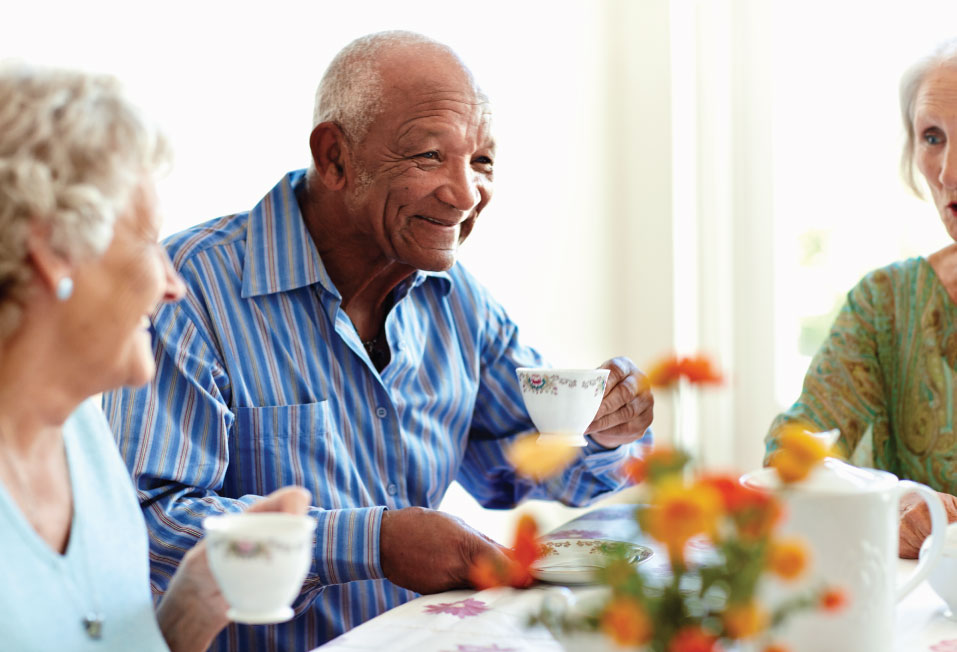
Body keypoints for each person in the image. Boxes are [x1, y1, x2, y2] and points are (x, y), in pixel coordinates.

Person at [105, 30, 655, 651]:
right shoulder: (191, 291)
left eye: (482, 161)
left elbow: (533, 466)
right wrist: (372, 543)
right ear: (335, 157)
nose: (466, 193)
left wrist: (606, 431)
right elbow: (142, 526)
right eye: (429, 156)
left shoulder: (458, 303)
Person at [0, 64, 311, 651]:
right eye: (148, 242)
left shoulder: (85, 438)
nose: (174, 285)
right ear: (53, 250)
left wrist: (193, 600)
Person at [766, 37, 957, 559]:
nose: (949, 173)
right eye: (933, 137)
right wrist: (890, 498)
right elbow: (789, 454)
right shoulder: (884, 305)